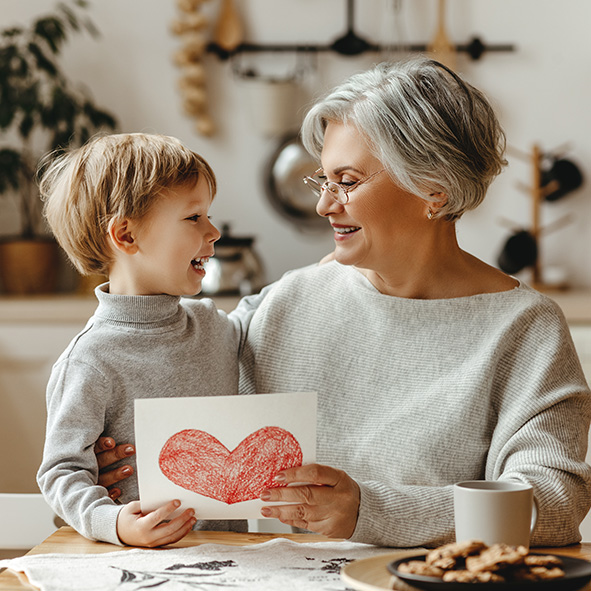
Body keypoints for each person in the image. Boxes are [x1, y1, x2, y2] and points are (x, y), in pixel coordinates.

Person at [96, 58, 591, 548]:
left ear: (433, 190)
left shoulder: (524, 328)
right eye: (323, 181)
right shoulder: (293, 299)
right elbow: (182, 388)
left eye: (348, 182)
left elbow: (553, 505)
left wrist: (369, 510)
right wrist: (121, 455)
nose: (324, 205)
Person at [37, 133, 247, 547]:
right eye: (193, 218)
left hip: (234, 562)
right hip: (136, 568)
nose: (214, 231)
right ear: (126, 236)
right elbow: (61, 472)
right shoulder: (89, 359)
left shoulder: (214, 326)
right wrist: (114, 523)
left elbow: (273, 307)